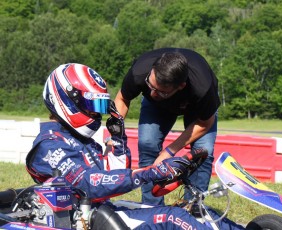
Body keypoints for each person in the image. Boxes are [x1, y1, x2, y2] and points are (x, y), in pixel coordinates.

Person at [25, 63, 238, 229]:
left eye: (99, 107)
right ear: (67, 100)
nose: (97, 114)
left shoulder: (81, 140)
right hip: (82, 220)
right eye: (92, 106)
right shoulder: (49, 145)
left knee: (195, 211)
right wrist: (149, 173)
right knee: (173, 218)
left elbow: (113, 177)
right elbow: (89, 183)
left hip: (100, 210)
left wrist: (118, 141)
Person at [114, 48, 220, 205]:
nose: (152, 94)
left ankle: (193, 208)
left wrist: (169, 151)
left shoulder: (202, 87)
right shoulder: (140, 71)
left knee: (203, 152)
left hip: (197, 110)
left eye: (161, 92)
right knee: (147, 144)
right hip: (157, 108)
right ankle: (152, 208)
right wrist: (114, 135)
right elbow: (122, 98)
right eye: (150, 86)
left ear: (181, 86)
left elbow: (205, 123)